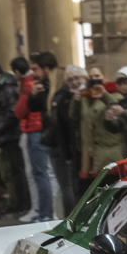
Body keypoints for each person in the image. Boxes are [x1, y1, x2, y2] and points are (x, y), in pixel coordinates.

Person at [13, 56, 55, 222]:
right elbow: (29, 106)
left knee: (42, 173)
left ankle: (46, 213)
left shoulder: (38, 84)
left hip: (38, 130)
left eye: (36, 68)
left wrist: (31, 94)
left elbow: (21, 111)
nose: (33, 72)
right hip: (35, 130)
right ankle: (42, 211)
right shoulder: (35, 85)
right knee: (39, 173)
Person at [71, 66, 123, 193]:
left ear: (104, 78)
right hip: (90, 155)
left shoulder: (115, 95)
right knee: (92, 194)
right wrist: (76, 101)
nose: (94, 80)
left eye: (97, 76)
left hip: (108, 153)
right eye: (91, 77)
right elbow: (74, 117)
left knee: (111, 192)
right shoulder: (85, 99)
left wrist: (104, 94)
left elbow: (117, 110)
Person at [0, 63, 29, 215]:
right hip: (5, 136)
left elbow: (11, 113)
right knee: (11, 172)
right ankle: (16, 202)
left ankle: (22, 204)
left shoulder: (7, 89)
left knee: (17, 171)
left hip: (11, 136)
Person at [46, 65, 85, 214]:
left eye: (77, 78)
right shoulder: (64, 101)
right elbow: (63, 128)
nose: (74, 82)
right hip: (73, 151)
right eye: (70, 80)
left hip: (91, 152)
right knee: (72, 188)